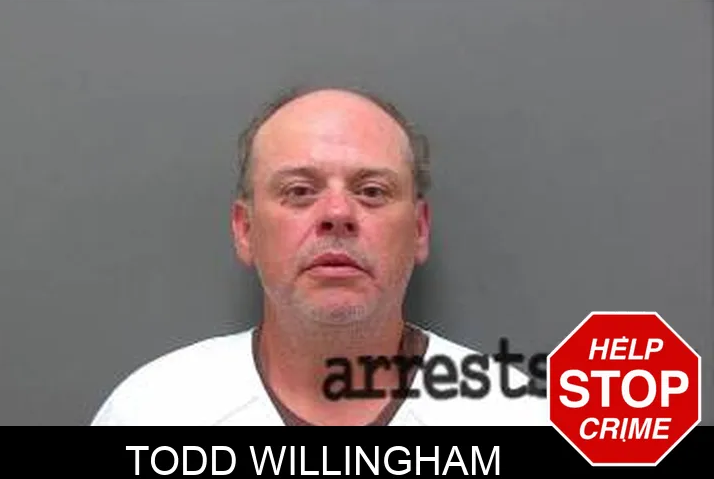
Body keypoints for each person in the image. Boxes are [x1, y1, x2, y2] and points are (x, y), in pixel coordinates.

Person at [91, 86, 549, 426]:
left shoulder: (514, 417)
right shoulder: (152, 412)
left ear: (419, 229)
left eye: (372, 191)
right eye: (299, 190)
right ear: (245, 229)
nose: (337, 214)